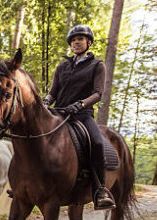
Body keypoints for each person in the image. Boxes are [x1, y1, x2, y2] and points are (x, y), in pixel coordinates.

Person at [43, 25, 116, 210]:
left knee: (97, 143)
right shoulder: (62, 66)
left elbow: (99, 93)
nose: (76, 42)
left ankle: (100, 190)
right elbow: (53, 93)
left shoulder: (97, 65)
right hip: (58, 113)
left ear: (88, 42)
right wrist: (45, 102)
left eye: (80, 39)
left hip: (82, 115)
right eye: (73, 40)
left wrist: (81, 104)